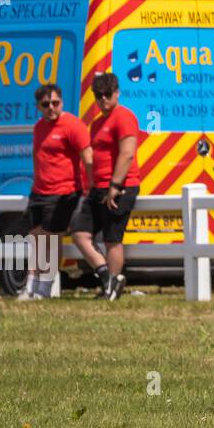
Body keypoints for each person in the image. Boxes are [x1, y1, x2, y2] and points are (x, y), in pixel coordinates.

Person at [71, 73, 142, 300]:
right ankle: (107, 278)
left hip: (119, 187)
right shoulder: (97, 123)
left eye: (107, 94)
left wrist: (115, 185)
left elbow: (127, 153)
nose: (102, 99)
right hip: (98, 188)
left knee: (112, 239)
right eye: (98, 96)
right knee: (80, 234)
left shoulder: (124, 117)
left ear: (117, 93)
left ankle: (111, 288)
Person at [24, 84, 92, 300]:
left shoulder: (73, 125)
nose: (51, 108)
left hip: (64, 191)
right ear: (38, 107)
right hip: (39, 191)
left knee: (51, 240)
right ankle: (31, 287)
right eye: (46, 104)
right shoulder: (38, 128)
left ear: (61, 102)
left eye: (55, 103)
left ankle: (42, 288)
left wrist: (89, 188)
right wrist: (37, 180)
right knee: (35, 238)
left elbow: (87, 157)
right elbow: (37, 155)